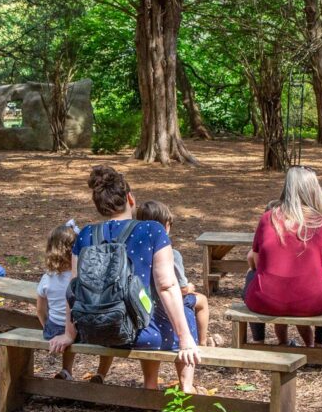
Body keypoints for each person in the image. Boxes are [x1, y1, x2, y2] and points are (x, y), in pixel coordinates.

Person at [48, 165, 200, 392]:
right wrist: (185, 337)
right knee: (185, 309)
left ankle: (151, 384)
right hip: (145, 335)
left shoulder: (86, 234)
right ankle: (185, 387)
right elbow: (167, 285)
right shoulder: (152, 230)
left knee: (150, 306)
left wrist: (70, 333)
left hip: (95, 332)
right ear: (130, 198)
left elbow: (75, 289)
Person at [243, 166, 322, 348]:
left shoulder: (267, 219)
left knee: (251, 275)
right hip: (313, 302)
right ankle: (319, 343)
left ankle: (258, 341)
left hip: (264, 300)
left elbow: (257, 261)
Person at [135, 200, 209, 346]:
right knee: (202, 301)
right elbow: (180, 289)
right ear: (165, 226)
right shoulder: (172, 254)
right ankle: (203, 342)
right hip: (165, 303)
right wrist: (189, 287)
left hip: (142, 301)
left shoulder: (136, 252)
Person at [36, 225, 77, 380]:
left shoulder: (47, 278)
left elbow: (40, 310)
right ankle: (68, 370)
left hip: (53, 328)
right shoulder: (78, 276)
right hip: (76, 330)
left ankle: (66, 371)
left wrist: (47, 325)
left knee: (62, 327)